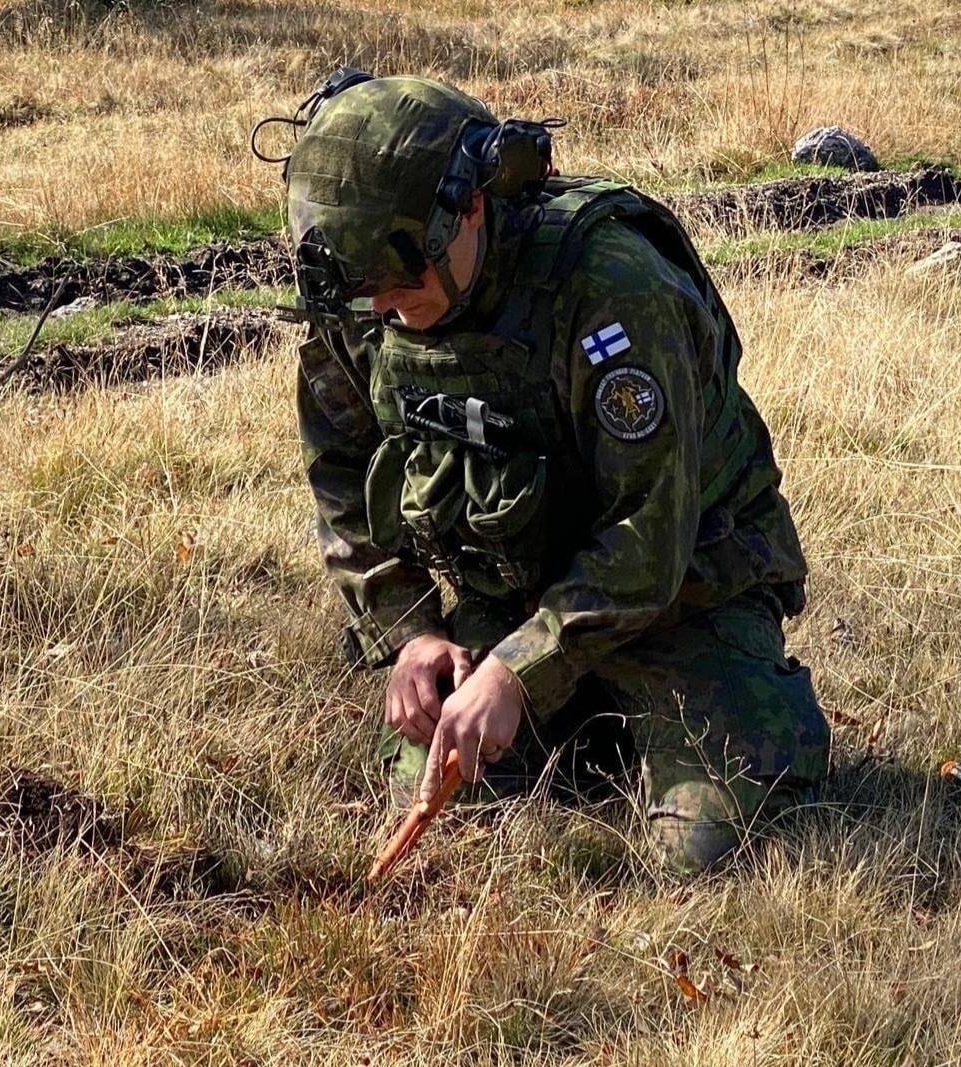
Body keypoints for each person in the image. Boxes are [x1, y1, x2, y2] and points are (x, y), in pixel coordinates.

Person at [257, 69, 830, 871]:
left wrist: (520, 672)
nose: (386, 306)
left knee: (707, 854)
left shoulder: (609, 288)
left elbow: (649, 532)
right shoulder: (359, 296)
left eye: (403, 278)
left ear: (473, 206)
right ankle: (596, 726)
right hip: (515, 596)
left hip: (688, 590)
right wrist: (411, 631)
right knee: (449, 816)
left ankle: (712, 716)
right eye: (365, 288)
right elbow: (343, 475)